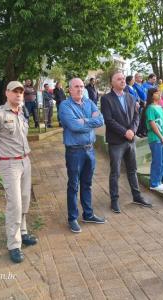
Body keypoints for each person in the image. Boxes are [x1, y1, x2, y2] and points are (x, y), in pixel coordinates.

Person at [0, 81, 37, 264]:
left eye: (21, 91)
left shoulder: (22, 112)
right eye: (15, 91)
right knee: (14, 204)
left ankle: (22, 233)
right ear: (7, 93)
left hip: (25, 161)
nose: (19, 94)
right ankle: (14, 244)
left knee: (24, 199)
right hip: (9, 164)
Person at [101, 71, 152, 213]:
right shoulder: (106, 99)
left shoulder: (130, 97)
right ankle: (114, 200)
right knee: (115, 172)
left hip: (130, 141)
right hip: (116, 141)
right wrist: (125, 132)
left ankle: (137, 196)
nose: (122, 81)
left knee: (132, 170)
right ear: (112, 82)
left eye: (123, 79)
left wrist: (133, 131)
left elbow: (136, 116)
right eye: (119, 79)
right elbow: (109, 120)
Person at [59, 78, 105, 233]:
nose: (79, 89)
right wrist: (90, 121)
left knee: (87, 183)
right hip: (74, 151)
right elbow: (73, 126)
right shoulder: (65, 105)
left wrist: (84, 121)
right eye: (76, 87)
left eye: (81, 86)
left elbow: (101, 120)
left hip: (90, 150)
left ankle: (88, 214)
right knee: (73, 185)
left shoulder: (89, 102)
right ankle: (72, 218)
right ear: (70, 90)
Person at [146, 87, 163, 191]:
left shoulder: (160, 107)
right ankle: (154, 183)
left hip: (162, 138)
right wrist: (161, 137)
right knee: (157, 161)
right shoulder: (150, 108)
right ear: (151, 95)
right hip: (155, 138)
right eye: (156, 93)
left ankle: (159, 181)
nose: (159, 94)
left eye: (159, 92)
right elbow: (152, 123)